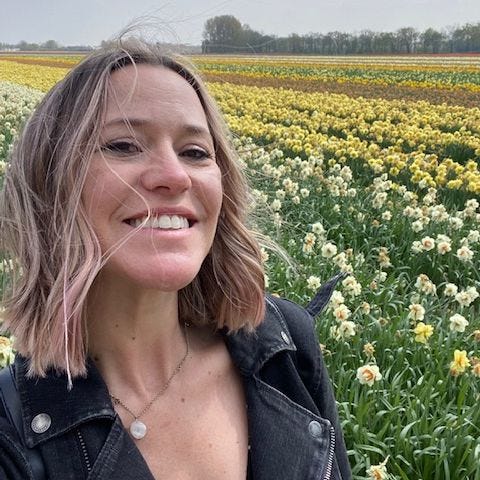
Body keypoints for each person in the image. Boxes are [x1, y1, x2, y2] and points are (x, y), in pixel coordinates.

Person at [0, 38, 351, 480]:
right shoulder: (12, 436)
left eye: (195, 152)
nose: (174, 175)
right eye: (124, 145)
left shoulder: (284, 345)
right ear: (49, 184)